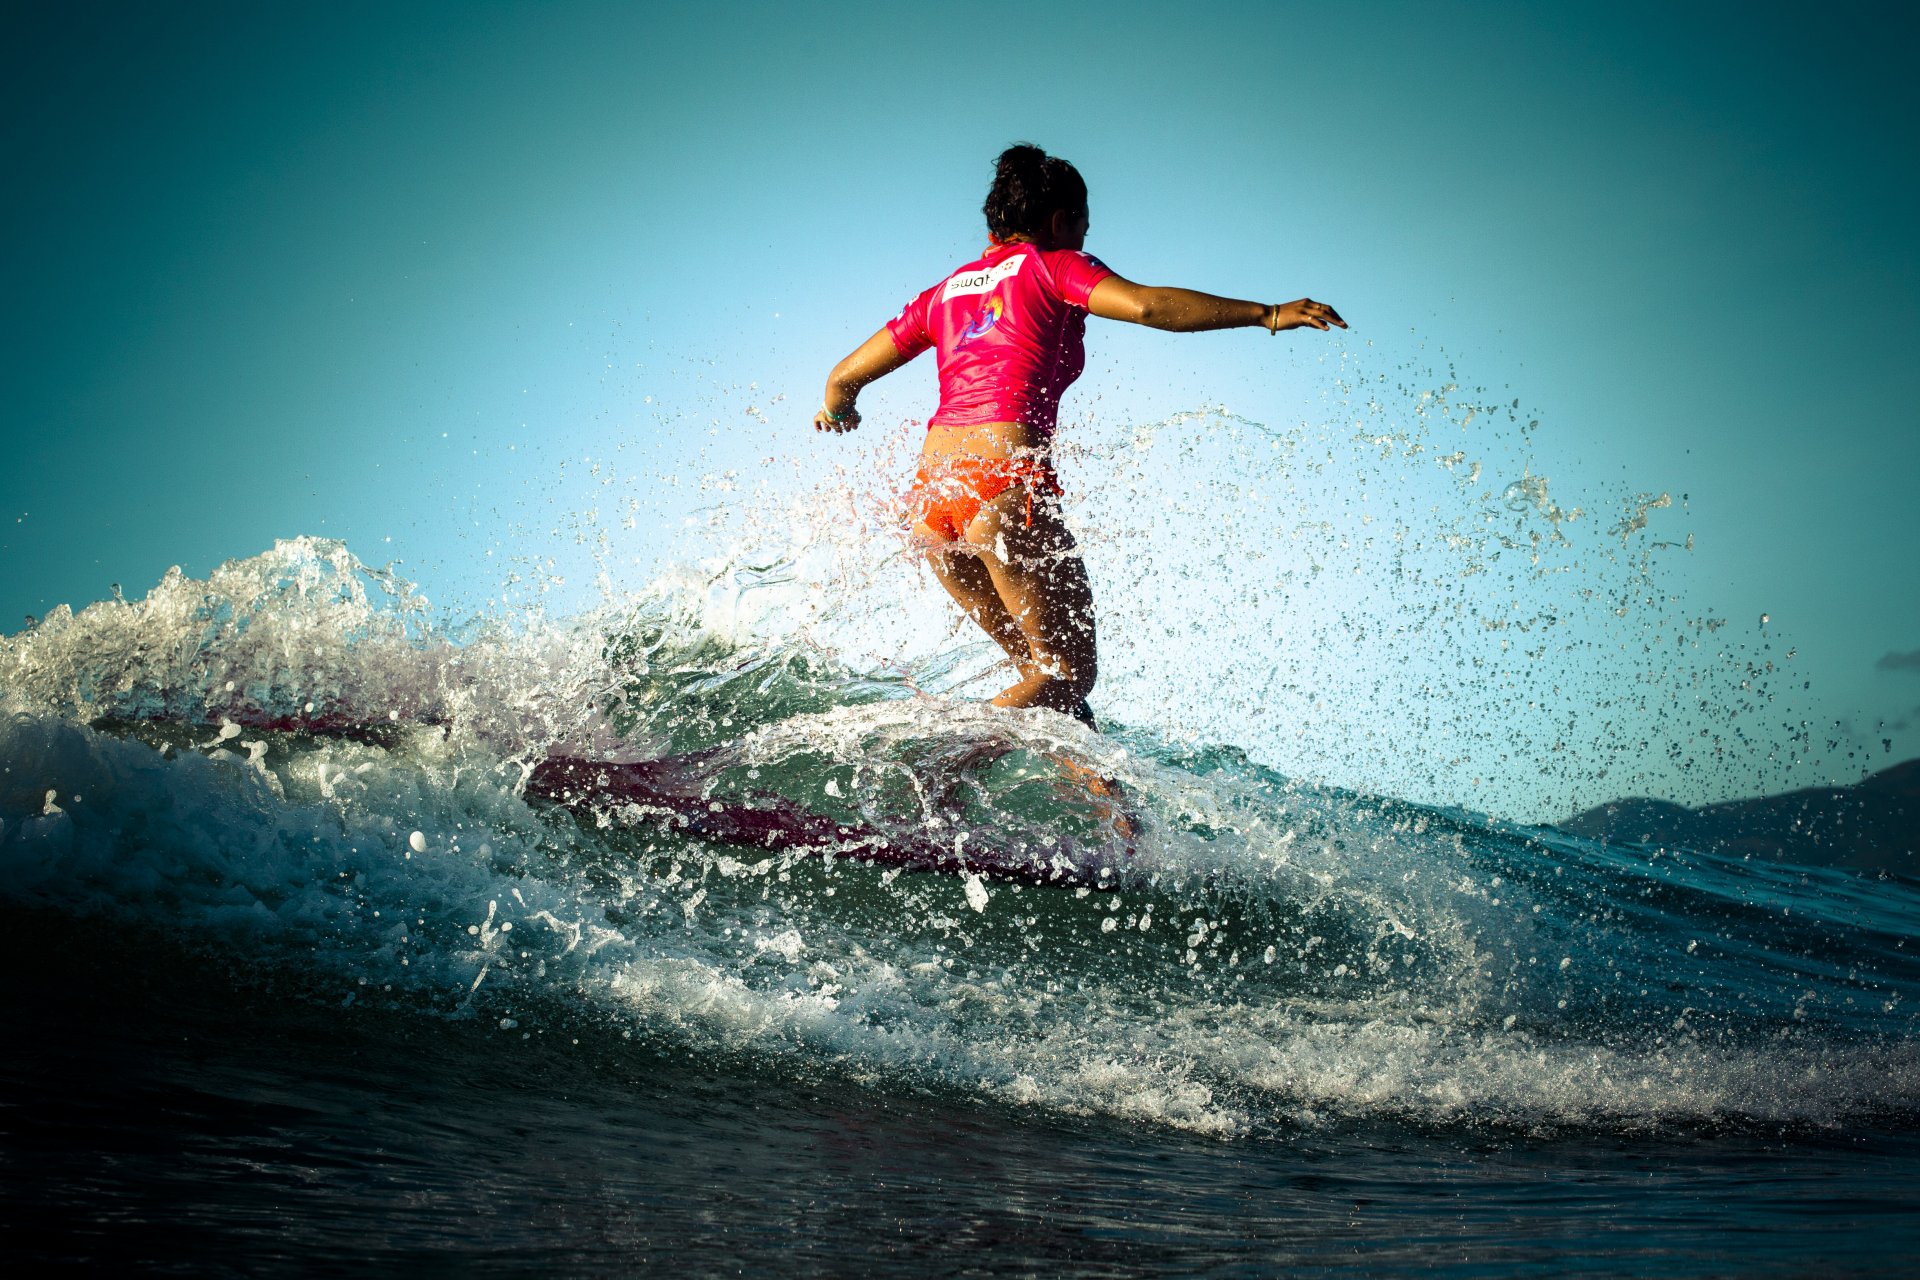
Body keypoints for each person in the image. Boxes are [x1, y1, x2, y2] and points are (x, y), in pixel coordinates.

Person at [814, 143, 1345, 730]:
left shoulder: (944, 292)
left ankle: (1112, 813)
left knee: (1046, 681)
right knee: (1066, 677)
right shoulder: (1053, 264)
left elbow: (843, 378)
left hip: (934, 510)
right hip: (1001, 490)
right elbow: (1145, 306)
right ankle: (934, 760)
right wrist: (1266, 313)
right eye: (1085, 221)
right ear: (1060, 219)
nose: (1088, 234)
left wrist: (838, 408)